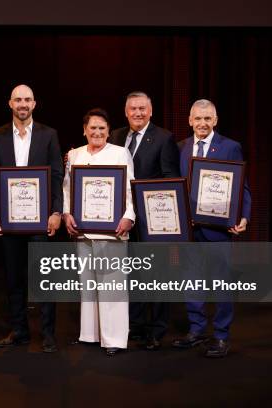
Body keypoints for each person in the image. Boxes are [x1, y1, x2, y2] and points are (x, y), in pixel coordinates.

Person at [0, 85, 63, 353]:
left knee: (43, 276)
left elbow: (56, 176)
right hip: (8, 220)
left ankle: (48, 333)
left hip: (40, 219)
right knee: (13, 277)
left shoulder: (48, 135)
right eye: (18, 99)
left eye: (27, 99)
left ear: (34, 104)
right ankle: (19, 330)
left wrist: (56, 212)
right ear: (10, 103)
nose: (22, 104)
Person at [172, 99, 251, 358]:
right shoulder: (180, 148)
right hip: (190, 231)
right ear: (190, 120)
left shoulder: (230, 147)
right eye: (198, 118)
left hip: (218, 229)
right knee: (191, 281)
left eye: (208, 118)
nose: (202, 123)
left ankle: (220, 336)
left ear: (215, 121)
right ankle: (196, 330)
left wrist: (244, 218)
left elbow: (243, 188)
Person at [109, 91, 180, 350]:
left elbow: (170, 178)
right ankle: (136, 325)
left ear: (150, 112)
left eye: (142, 109)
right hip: (122, 218)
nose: (137, 113)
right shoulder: (115, 136)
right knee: (131, 273)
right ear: (126, 112)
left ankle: (157, 330)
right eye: (132, 109)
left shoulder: (164, 138)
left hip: (153, 219)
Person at [62, 108, 135, 356]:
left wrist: (128, 217)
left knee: (112, 285)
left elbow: (129, 189)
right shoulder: (74, 155)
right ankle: (91, 334)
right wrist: (66, 214)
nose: (97, 132)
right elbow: (67, 190)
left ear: (108, 131)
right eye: (92, 127)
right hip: (83, 231)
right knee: (88, 284)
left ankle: (113, 339)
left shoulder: (120, 153)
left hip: (112, 230)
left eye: (102, 128)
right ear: (84, 130)